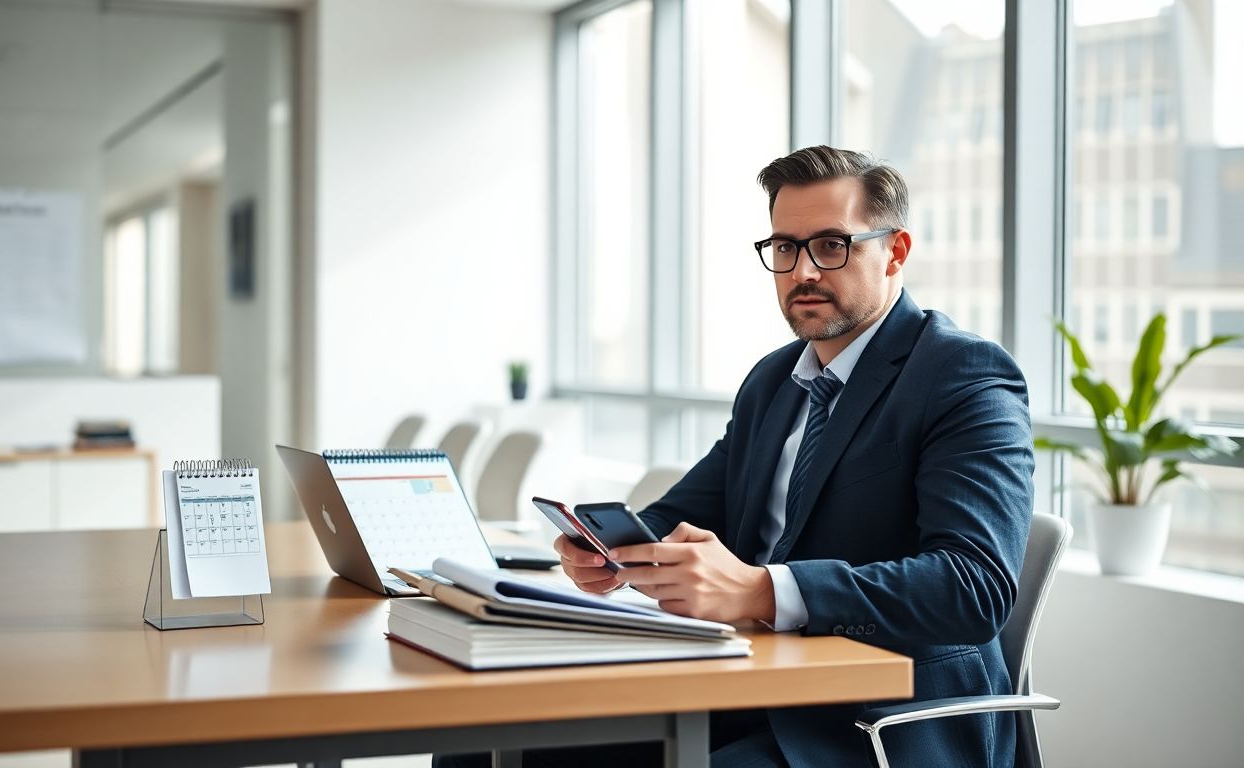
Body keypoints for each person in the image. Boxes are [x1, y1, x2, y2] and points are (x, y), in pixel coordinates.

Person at [439, 145, 1034, 768]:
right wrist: (614, 551)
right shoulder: (775, 381)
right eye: (784, 248)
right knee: (479, 748)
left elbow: (974, 587)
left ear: (896, 251)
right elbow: (685, 511)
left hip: (878, 719)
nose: (803, 271)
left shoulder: (963, 375)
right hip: (747, 684)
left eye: (832, 245)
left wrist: (762, 591)